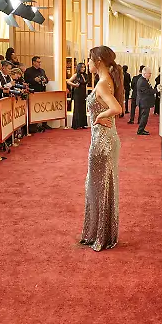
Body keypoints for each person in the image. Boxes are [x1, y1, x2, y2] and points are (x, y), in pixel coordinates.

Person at [79, 46, 124, 252]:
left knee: (98, 187)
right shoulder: (108, 81)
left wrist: (99, 116)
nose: (87, 63)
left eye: (89, 59)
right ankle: (101, 233)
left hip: (102, 142)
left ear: (98, 61)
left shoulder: (102, 84)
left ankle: (101, 235)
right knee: (101, 186)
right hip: (105, 139)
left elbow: (116, 108)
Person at [67, 62, 89, 129]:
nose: (83, 68)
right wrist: (74, 85)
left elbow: (85, 84)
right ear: (79, 68)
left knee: (83, 108)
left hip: (83, 93)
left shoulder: (85, 75)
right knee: (77, 108)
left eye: (84, 67)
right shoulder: (76, 75)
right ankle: (76, 125)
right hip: (77, 93)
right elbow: (68, 81)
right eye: (82, 67)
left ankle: (82, 124)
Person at [136, 67, 155, 136]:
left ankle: (141, 129)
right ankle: (140, 130)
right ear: (144, 74)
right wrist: (156, 90)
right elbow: (147, 91)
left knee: (144, 117)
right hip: (144, 102)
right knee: (144, 117)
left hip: (144, 101)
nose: (150, 75)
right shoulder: (142, 81)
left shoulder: (144, 80)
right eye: (149, 73)